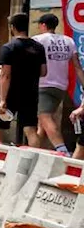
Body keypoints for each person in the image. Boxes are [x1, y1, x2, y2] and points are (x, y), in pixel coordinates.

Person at [0, 12, 47, 148]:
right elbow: (43, 72)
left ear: (12, 27)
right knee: (30, 129)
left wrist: (2, 100)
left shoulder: (9, 47)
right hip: (31, 93)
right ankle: (33, 161)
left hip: (12, 93)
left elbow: (5, 75)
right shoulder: (38, 47)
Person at [33, 13, 83, 155]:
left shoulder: (37, 40)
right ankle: (34, 151)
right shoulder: (68, 41)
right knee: (42, 125)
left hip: (43, 84)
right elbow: (77, 66)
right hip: (61, 86)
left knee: (45, 117)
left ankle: (63, 151)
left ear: (43, 25)